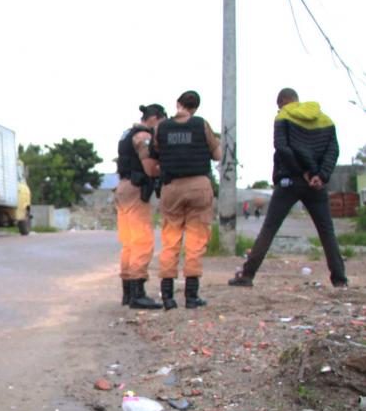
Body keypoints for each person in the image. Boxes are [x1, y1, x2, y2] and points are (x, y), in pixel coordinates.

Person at [229, 88, 347, 288]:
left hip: (290, 181)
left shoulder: (283, 117)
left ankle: (247, 275)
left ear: (282, 102)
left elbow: (282, 148)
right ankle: (339, 279)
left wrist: (303, 172)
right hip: (316, 184)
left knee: (269, 228)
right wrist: (320, 175)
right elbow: (333, 150)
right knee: (327, 231)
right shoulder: (325, 119)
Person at [151, 91, 221, 309]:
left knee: (171, 240)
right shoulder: (201, 124)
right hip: (198, 186)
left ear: (178, 104)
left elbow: (155, 154)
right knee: (195, 241)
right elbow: (218, 155)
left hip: (171, 187)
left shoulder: (161, 127)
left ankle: (168, 297)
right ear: (196, 108)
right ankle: (191, 297)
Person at [115, 104, 167, 309]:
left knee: (128, 243)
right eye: (161, 122)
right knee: (142, 241)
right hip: (135, 189)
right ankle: (138, 293)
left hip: (123, 188)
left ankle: (127, 293)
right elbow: (149, 167)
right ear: (154, 118)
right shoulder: (142, 135)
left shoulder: (127, 133)